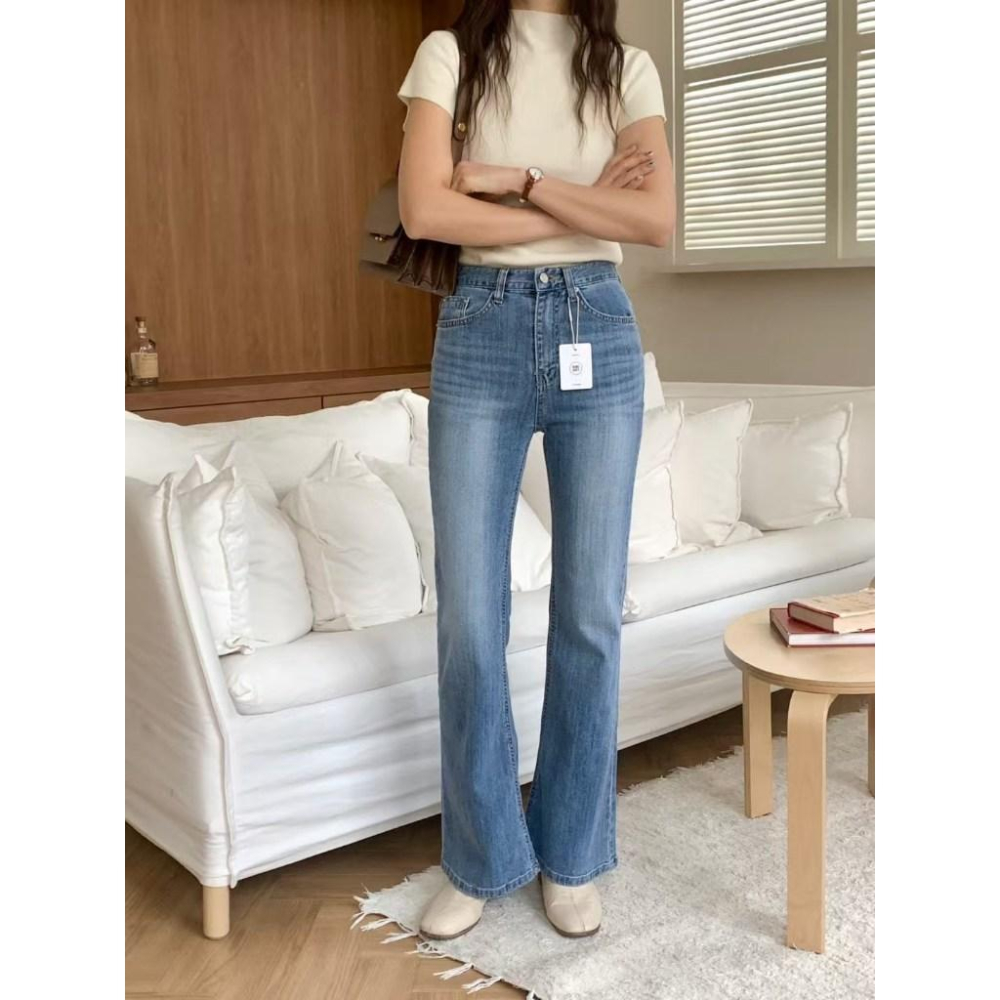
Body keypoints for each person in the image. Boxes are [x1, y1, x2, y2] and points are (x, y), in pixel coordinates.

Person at [395, 0, 675, 940]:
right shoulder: (448, 54)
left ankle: (571, 852)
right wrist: (581, 201)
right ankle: (481, 858)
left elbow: (654, 219)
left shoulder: (625, 67)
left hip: (598, 319)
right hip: (480, 327)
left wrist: (516, 183)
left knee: (590, 611)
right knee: (471, 620)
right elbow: (426, 210)